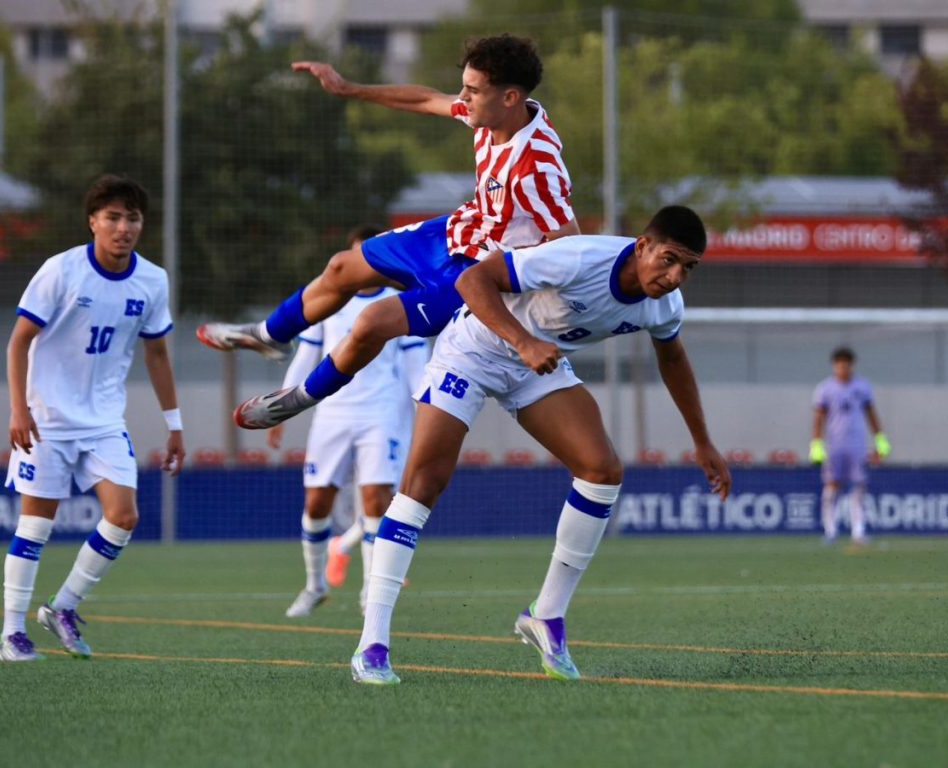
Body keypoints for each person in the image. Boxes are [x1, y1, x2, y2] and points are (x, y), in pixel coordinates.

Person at [349, 205, 732, 685]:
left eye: (688, 268)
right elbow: (472, 281)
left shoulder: (665, 305)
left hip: (535, 367)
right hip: (475, 348)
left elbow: (673, 358)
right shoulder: (578, 258)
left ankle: (545, 615)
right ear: (643, 246)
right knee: (423, 484)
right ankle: (372, 645)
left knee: (602, 469)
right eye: (669, 259)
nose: (675, 276)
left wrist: (702, 441)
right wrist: (524, 343)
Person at [195, 34, 578, 430]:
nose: (461, 98)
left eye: (472, 90)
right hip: (460, 230)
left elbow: (570, 246)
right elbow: (425, 100)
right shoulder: (492, 112)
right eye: (463, 86)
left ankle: (299, 397)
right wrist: (349, 89)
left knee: (371, 322)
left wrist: (535, 314)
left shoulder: (537, 166)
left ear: (510, 97)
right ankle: (269, 335)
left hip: (480, 274)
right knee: (343, 267)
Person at [0, 175, 185, 662]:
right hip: (46, 419)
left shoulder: (153, 280)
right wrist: (18, 409)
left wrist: (175, 423)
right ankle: (12, 633)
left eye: (133, 218)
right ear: (93, 222)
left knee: (123, 517)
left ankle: (62, 607)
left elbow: (158, 354)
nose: (124, 228)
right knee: (36, 525)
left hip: (103, 421)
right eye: (114, 218)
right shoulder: (61, 271)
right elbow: (18, 341)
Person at [267, 226, 427, 617]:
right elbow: (306, 358)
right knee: (317, 502)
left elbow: (416, 368)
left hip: (382, 413)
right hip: (332, 413)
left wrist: (427, 409)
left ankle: (371, 594)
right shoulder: (330, 301)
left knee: (376, 498)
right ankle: (315, 585)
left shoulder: (400, 303)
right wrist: (280, 408)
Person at [809, 346, 891, 545]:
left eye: (846, 365)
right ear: (834, 366)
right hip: (835, 446)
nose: (843, 369)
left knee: (859, 487)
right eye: (839, 365)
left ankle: (859, 531)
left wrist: (880, 439)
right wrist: (816, 443)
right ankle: (830, 530)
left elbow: (870, 413)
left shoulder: (862, 387)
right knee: (831, 488)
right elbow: (819, 418)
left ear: (852, 366)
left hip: (857, 445)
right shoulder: (825, 389)